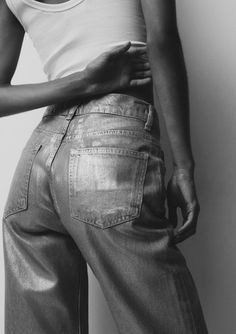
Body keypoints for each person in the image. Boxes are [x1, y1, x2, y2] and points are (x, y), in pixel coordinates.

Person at [0, 0, 208, 333]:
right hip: (108, 149)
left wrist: (81, 83)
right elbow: (162, 40)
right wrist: (183, 166)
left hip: (37, 162)